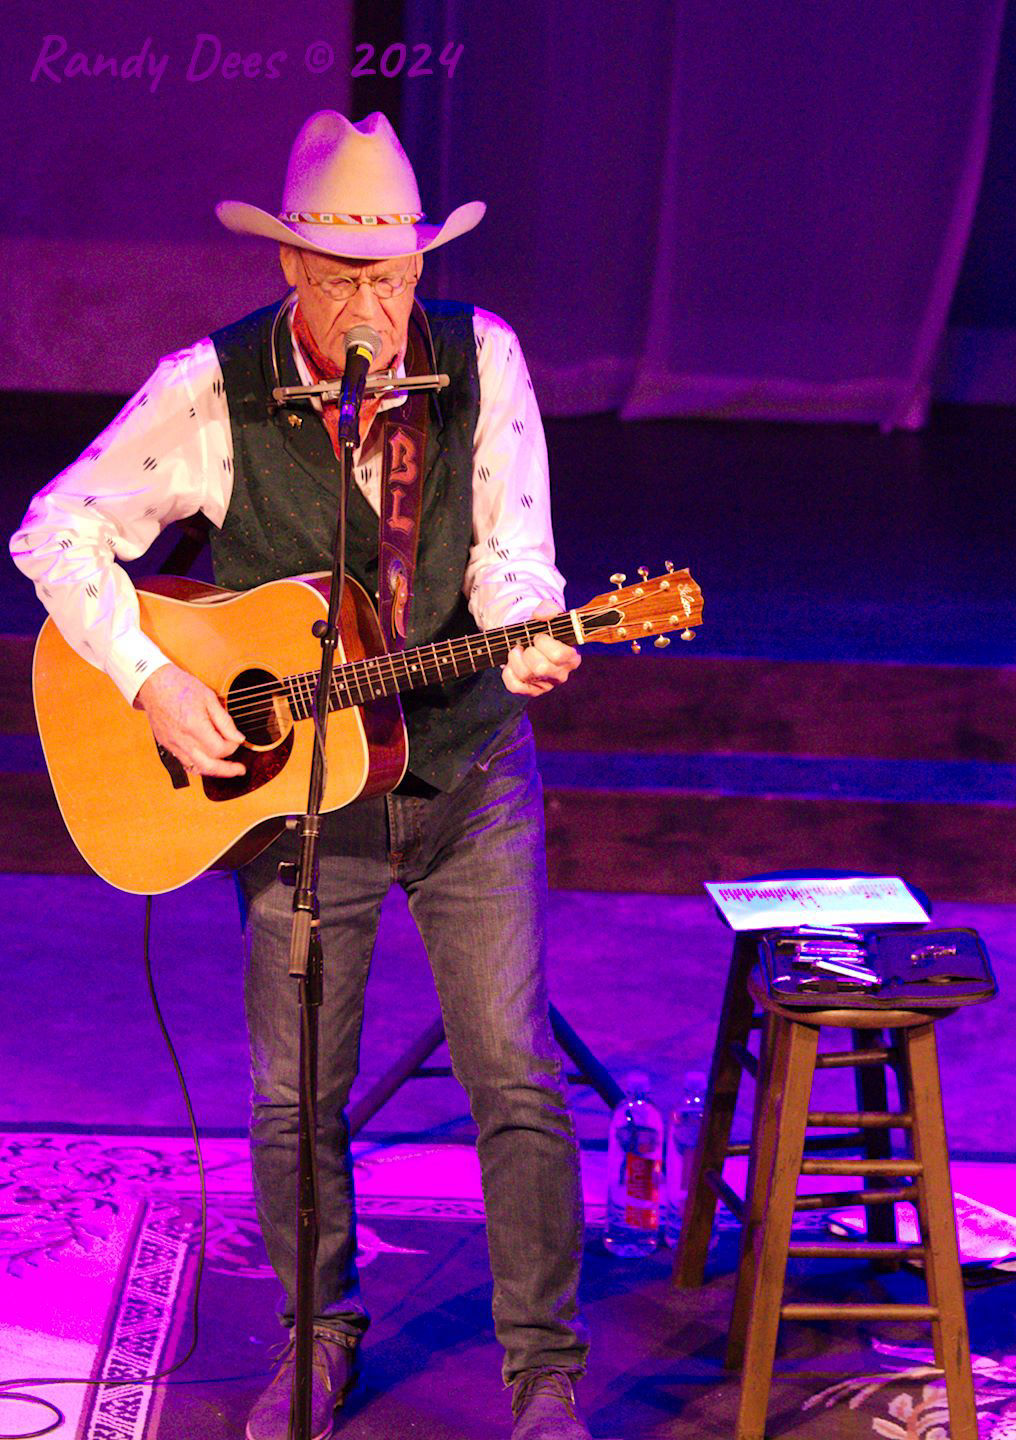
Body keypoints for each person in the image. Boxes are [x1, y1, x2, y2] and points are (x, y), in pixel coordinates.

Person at [12, 111, 596, 1440]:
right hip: (301, 807)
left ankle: (544, 1371)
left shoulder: (480, 358)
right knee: (294, 1091)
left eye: (393, 277)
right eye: (345, 280)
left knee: (512, 1070)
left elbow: (513, 553)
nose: (374, 309)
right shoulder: (208, 386)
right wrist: (153, 678)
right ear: (290, 273)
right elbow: (56, 530)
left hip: (463, 774)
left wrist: (534, 639)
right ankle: (315, 1334)